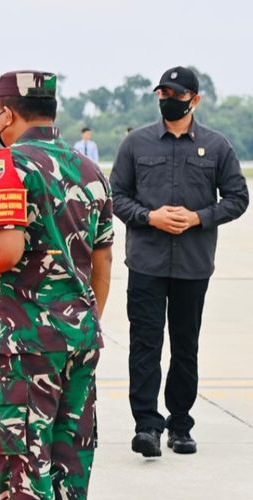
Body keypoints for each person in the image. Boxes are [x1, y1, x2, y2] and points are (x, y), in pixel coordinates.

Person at [0, 70, 114, 499]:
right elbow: (103, 258)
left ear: (4, 113)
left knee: (21, 465)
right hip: (78, 337)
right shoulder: (89, 167)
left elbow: (4, 251)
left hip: (24, 342)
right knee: (69, 462)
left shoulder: (6, 163)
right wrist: (83, 321)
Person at [110, 66, 249, 458]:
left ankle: (180, 424)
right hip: (146, 263)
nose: (167, 100)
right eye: (162, 93)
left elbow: (237, 198)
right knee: (145, 346)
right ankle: (147, 427)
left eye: (175, 94)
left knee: (185, 346)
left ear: (194, 99)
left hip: (192, 264)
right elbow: (116, 196)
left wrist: (199, 217)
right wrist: (148, 216)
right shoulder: (136, 144)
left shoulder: (217, 146)